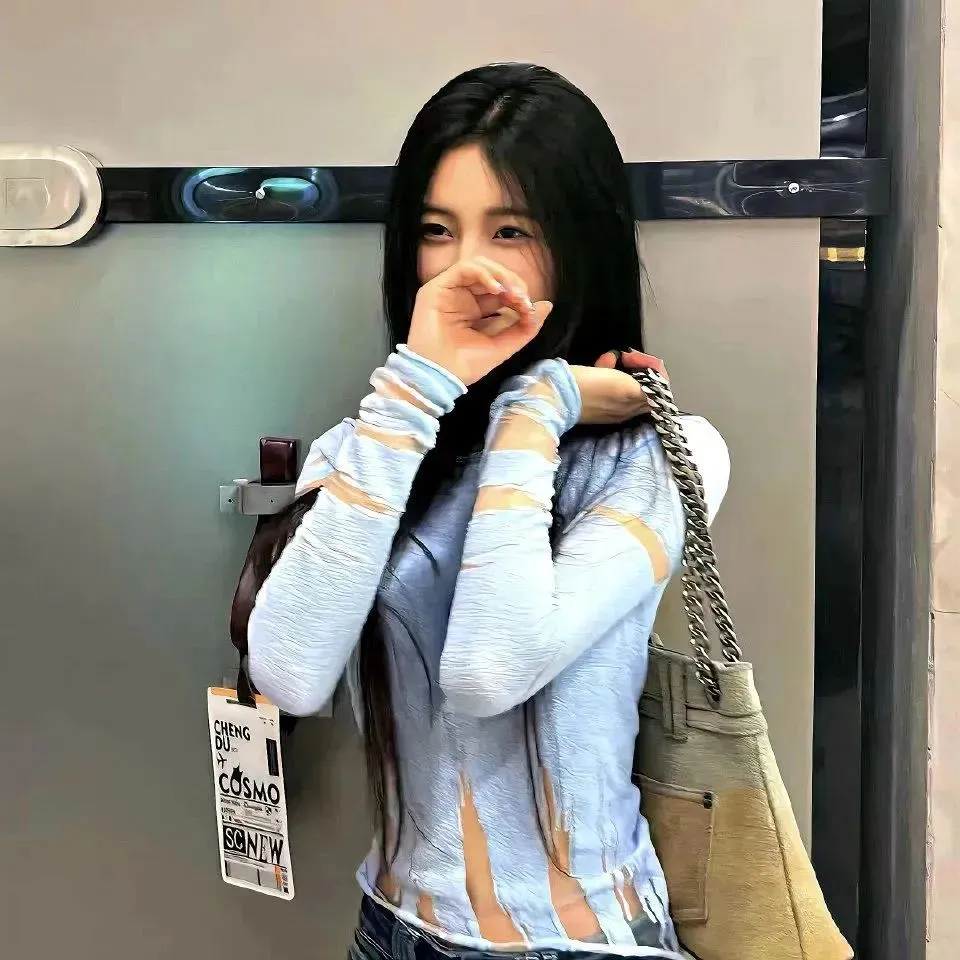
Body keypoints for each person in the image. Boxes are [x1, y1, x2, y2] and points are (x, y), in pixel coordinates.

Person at [246, 63, 729, 960]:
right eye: (437, 231)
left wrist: (537, 405)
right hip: (390, 930)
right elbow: (289, 676)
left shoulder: (661, 453)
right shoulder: (372, 444)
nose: (467, 266)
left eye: (511, 230)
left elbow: (487, 669)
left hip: (578, 942)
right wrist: (416, 391)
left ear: (576, 242)